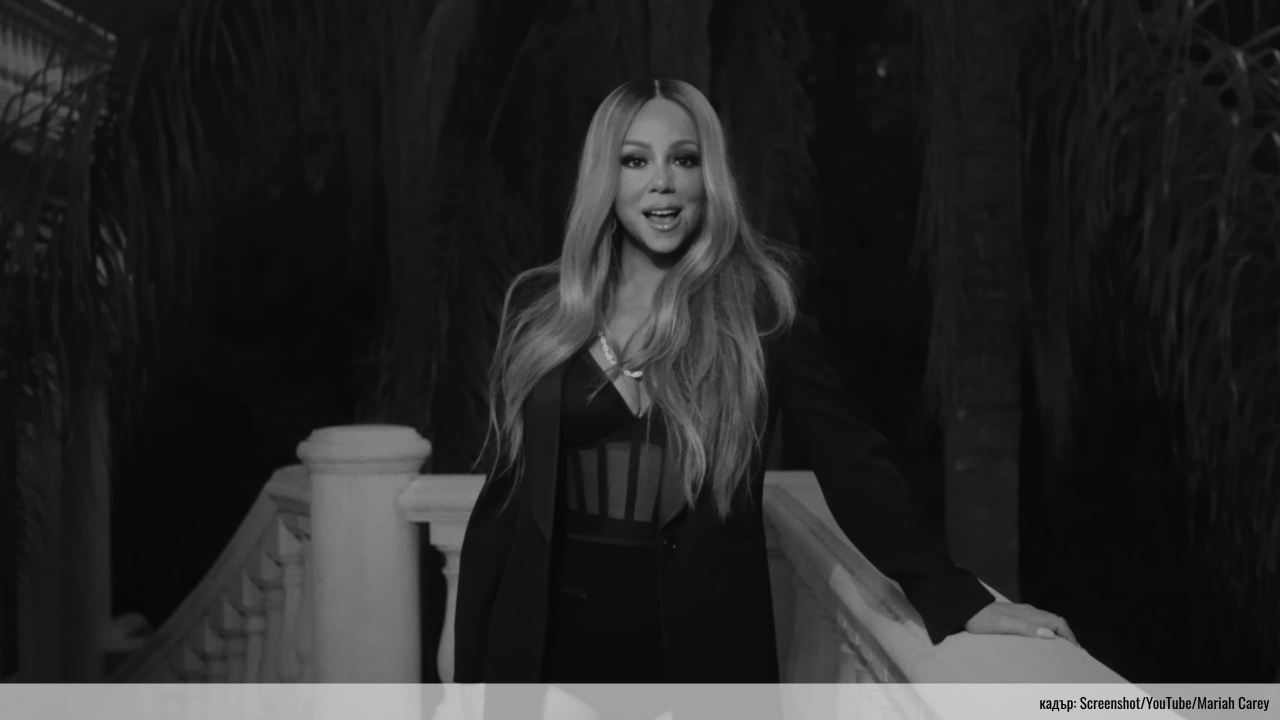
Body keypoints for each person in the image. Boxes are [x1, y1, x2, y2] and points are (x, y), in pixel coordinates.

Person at [453, 78, 1076, 720]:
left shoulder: (760, 310)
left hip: (706, 677)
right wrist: (470, 674)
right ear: (604, 179)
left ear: (710, 177)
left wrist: (954, 595)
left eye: (684, 159)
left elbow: (850, 459)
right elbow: (506, 502)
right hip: (553, 677)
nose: (662, 182)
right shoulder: (545, 310)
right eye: (634, 160)